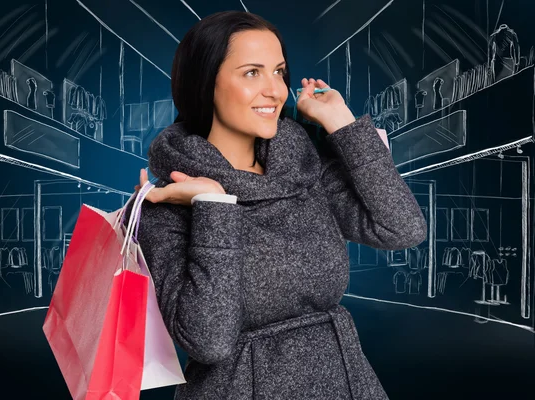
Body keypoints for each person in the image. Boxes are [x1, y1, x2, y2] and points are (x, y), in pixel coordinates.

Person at [128, 10, 427, 400]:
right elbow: (209, 342)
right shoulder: (168, 202)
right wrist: (214, 204)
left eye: (279, 72)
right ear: (206, 84)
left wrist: (344, 127)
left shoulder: (305, 166)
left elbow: (402, 228)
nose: (275, 90)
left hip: (344, 383)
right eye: (252, 72)